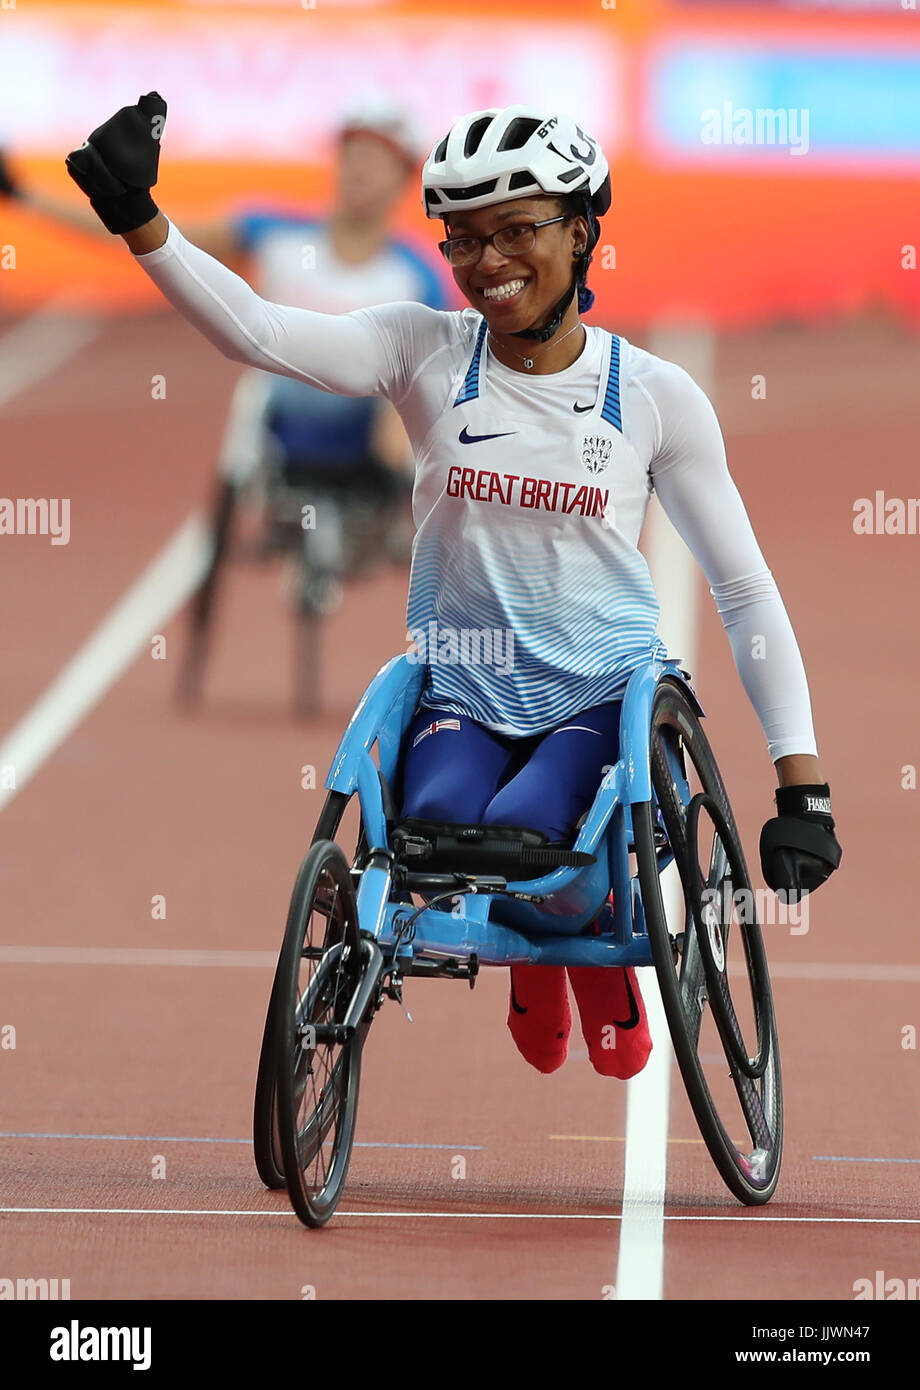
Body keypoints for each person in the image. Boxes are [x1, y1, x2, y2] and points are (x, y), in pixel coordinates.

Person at [63, 94, 842, 1079]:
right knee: (432, 835)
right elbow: (255, 332)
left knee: (531, 842)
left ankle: (576, 950)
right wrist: (141, 217)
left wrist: (800, 786)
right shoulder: (421, 349)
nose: (488, 262)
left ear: (580, 230)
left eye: (515, 231)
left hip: (597, 695)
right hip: (460, 684)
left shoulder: (649, 397)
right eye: (463, 239)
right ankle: (543, 932)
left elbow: (741, 590)